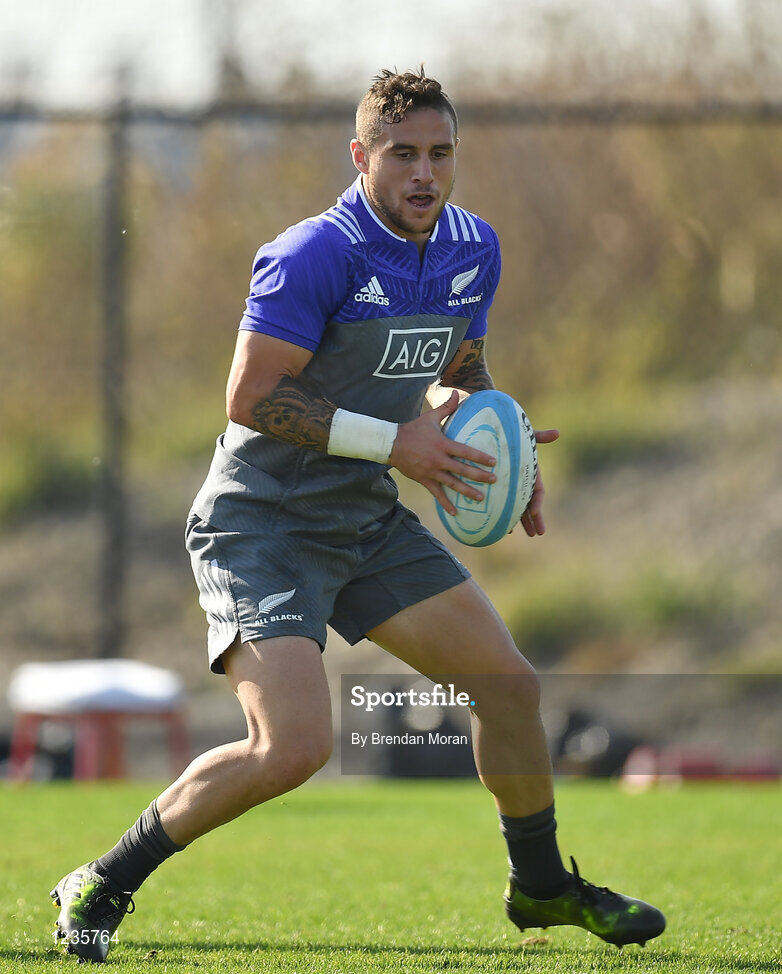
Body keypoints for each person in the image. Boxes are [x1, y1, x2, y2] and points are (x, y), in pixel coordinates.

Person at [50, 68, 665, 963]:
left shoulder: (470, 247)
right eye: (403, 154)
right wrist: (399, 447)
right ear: (361, 156)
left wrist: (501, 448)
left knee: (511, 687)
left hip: (363, 517)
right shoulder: (313, 253)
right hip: (260, 522)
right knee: (292, 746)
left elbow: (460, 368)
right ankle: (103, 880)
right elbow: (252, 397)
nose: (425, 173)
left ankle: (540, 887)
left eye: (441, 153)